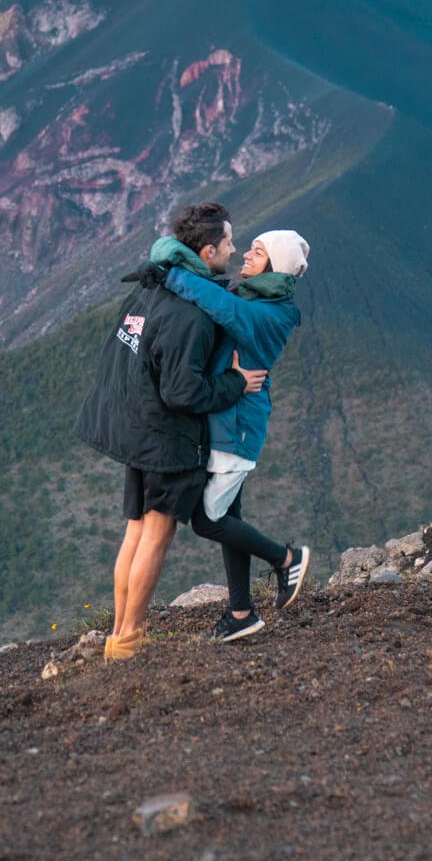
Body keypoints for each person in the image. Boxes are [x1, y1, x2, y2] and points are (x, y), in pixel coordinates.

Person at [74, 201, 267, 661]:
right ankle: (128, 643)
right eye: (228, 243)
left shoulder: (150, 286)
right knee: (156, 538)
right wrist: (236, 383)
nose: (234, 249)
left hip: (138, 431)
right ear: (206, 251)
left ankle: (119, 636)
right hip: (166, 441)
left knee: (135, 533)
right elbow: (184, 392)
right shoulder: (191, 312)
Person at [148, 227, 312, 642]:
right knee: (228, 519)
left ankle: (286, 558)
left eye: (257, 252)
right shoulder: (254, 297)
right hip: (226, 423)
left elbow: (221, 306)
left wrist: (170, 272)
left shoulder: (271, 313)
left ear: (275, 265)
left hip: (237, 431)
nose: (246, 257)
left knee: (207, 520)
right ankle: (241, 613)